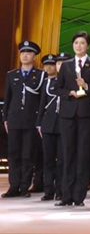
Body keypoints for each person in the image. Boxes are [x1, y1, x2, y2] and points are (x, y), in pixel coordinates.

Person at [56, 31, 90, 207]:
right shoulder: (66, 65)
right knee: (68, 154)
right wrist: (70, 92)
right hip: (67, 115)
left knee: (83, 155)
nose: (79, 46)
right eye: (76, 43)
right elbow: (57, 88)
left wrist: (86, 86)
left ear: (88, 46)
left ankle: (79, 196)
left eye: (82, 43)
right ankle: (66, 195)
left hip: (86, 115)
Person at [3, 40, 45, 198]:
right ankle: (13, 186)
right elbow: (8, 98)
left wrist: (39, 121)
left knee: (28, 154)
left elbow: (42, 100)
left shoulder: (40, 75)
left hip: (31, 120)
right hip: (14, 119)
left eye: (29, 53)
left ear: (34, 56)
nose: (25, 55)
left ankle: (24, 186)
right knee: (13, 154)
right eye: (23, 52)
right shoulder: (12, 75)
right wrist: (5, 118)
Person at [37, 54, 63, 201]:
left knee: (62, 160)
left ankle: (60, 190)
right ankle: (48, 190)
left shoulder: (70, 82)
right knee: (48, 159)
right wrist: (39, 123)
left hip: (64, 125)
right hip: (48, 124)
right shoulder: (47, 82)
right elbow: (42, 104)